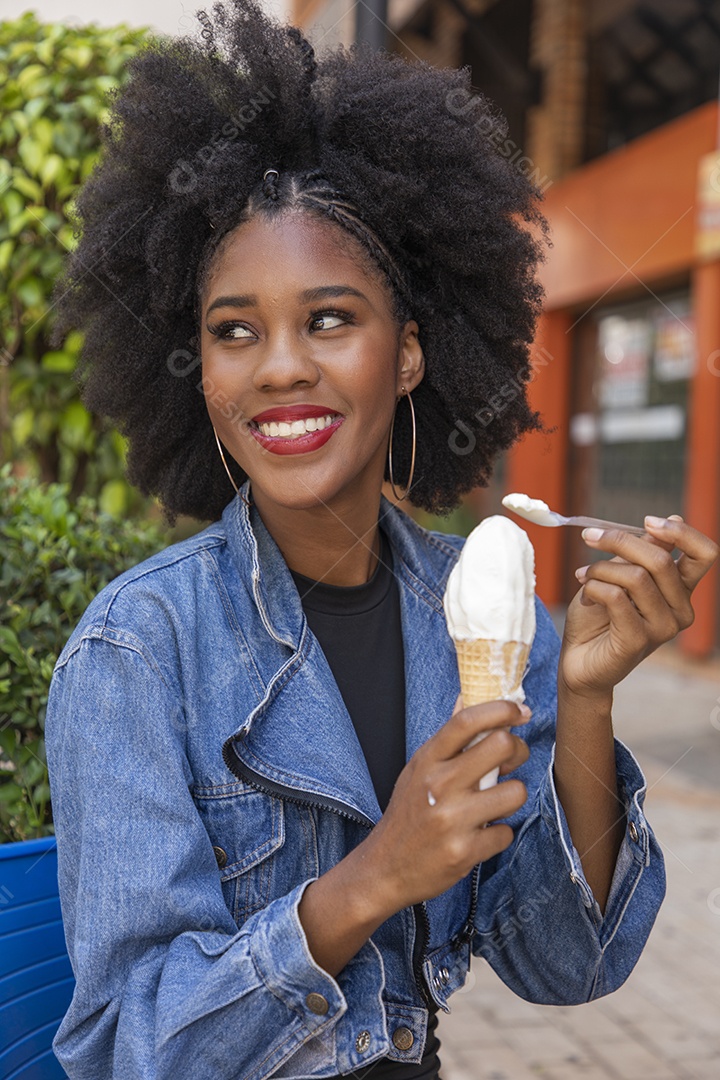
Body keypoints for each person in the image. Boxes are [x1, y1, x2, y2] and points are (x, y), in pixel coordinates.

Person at [44, 3, 718, 1078]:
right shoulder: (139, 651)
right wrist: (374, 879)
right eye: (234, 330)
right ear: (200, 370)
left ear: (408, 355)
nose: (279, 368)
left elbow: (570, 966)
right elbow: (134, 1043)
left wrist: (584, 698)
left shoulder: (481, 615)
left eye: (328, 319)